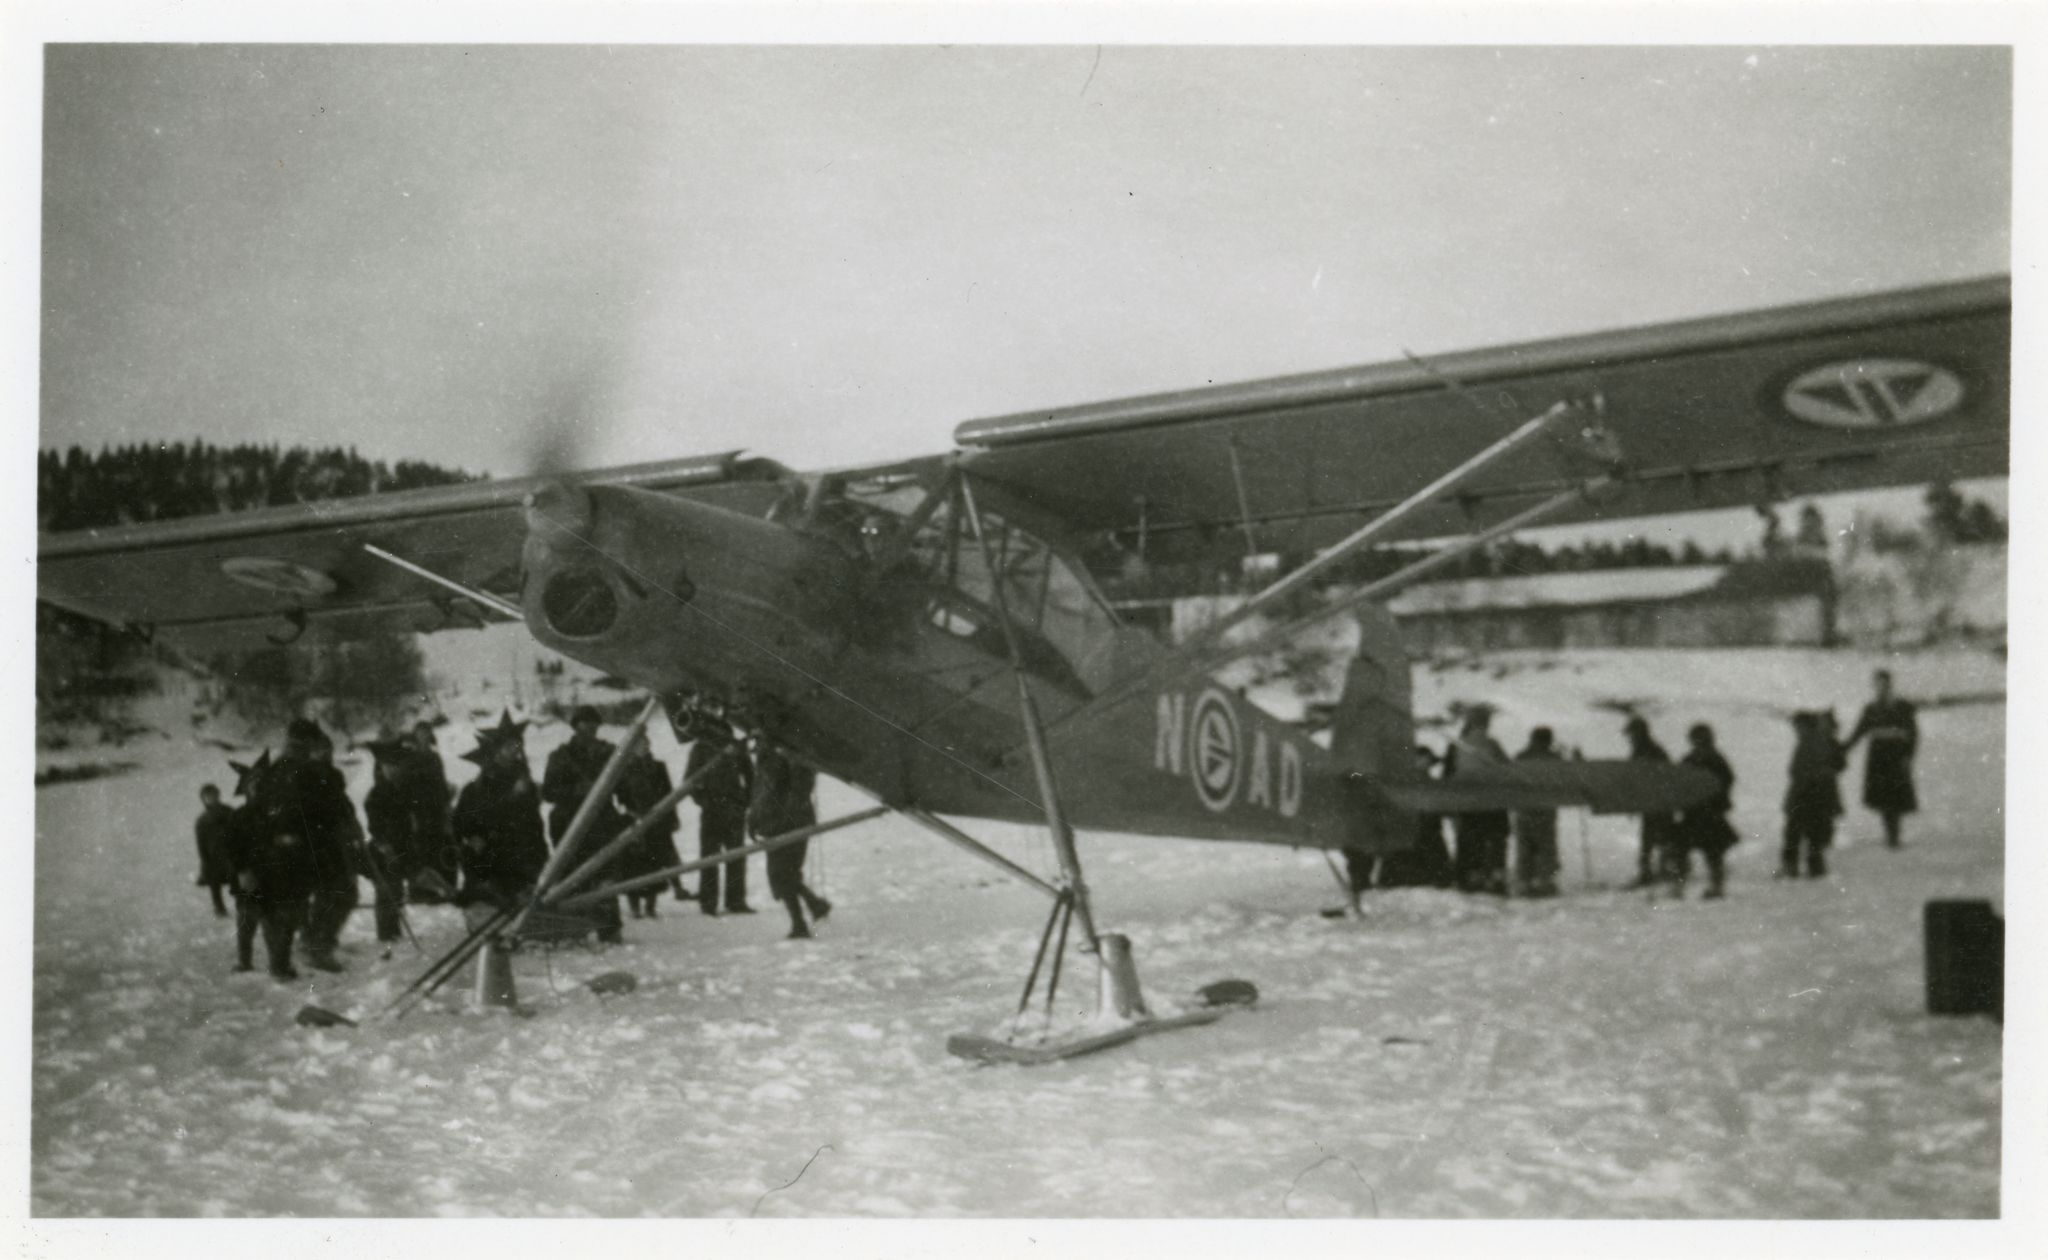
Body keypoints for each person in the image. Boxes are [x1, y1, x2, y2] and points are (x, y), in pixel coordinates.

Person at [279, 720, 365, 973]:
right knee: (340, 893)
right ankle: (316, 947)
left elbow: (340, 806)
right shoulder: (302, 772)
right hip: (314, 846)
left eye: (326, 749)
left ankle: (319, 943)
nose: (323, 753)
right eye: (317, 747)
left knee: (334, 894)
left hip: (322, 844)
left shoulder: (315, 771)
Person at [225, 749, 315, 982]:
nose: (258, 788)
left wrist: (287, 843)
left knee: (277, 924)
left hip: (276, 878)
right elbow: (232, 848)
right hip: (251, 880)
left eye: (262, 783)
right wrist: (242, 870)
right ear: (245, 789)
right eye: (253, 784)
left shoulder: (278, 813)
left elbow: (292, 839)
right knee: (249, 923)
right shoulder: (239, 816)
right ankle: (246, 962)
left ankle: (279, 966)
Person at [541, 705, 629, 941]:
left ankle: (609, 929)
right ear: (575, 726)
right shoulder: (560, 756)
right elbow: (548, 792)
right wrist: (575, 790)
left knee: (605, 877)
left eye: (594, 724)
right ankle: (575, 929)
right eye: (584, 724)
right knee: (572, 877)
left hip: (602, 822)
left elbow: (625, 787)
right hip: (569, 823)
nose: (590, 728)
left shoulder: (610, 753)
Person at [452, 711, 553, 909]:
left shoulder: (525, 780)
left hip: (526, 853)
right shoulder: (478, 786)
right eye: (509, 746)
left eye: (517, 745)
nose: (515, 750)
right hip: (493, 856)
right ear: (497, 750)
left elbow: (533, 820)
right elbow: (465, 821)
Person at [751, 740, 831, 940]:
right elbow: (759, 793)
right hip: (773, 825)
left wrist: (787, 819)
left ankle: (802, 920)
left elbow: (801, 788)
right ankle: (812, 908)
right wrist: (753, 819)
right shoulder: (765, 757)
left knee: (782, 873)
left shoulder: (790, 751)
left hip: (791, 824)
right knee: (781, 875)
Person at [687, 717, 755, 915]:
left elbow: (750, 775)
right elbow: (690, 781)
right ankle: (708, 903)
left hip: (734, 809)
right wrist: (704, 801)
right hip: (712, 810)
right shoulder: (700, 749)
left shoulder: (736, 747)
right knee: (709, 857)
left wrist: (745, 802)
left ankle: (736, 901)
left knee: (736, 856)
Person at [1845, 669, 1919, 849]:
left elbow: (1913, 733)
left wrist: (1908, 755)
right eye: (1877, 684)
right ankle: (1891, 834)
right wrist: (1842, 748)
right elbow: (1859, 731)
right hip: (1878, 756)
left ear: (1890, 685)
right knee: (1884, 798)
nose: (1881, 688)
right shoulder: (1871, 709)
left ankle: (1893, 835)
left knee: (1894, 797)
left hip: (1895, 756)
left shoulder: (1902, 707)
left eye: (1884, 684)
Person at [615, 739, 687, 919]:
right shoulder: (623, 768)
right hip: (634, 821)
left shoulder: (658, 767)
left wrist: (672, 817)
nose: (645, 748)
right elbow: (620, 795)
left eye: (647, 744)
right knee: (634, 866)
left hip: (658, 820)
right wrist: (630, 814)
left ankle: (651, 906)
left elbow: (668, 793)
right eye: (641, 745)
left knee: (656, 862)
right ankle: (635, 908)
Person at [1444, 707, 1511, 895]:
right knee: (1496, 841)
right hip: (1494, 802)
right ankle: (1496, 878)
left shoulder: (1457, 745)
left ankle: (1471, 879)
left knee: (1470, 842)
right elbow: (1507, 770)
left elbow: (1448, 776)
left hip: (1468, 803)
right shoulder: (1492, 744)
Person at [361, 739, 419, 955]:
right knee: (386, 890)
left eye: (398, 765)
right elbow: (375, 827)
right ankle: (385, 935)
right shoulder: (376, 795)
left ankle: (393, 932)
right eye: (389, 766)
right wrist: (386, 848)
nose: (394, 769)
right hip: (384, 850)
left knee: (396, 891)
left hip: (402, 847)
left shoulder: (403, 790)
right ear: (381, 768)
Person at [1677, 723, 1739, 899]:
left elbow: (1725, 782)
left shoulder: (1713, 759)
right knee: (1687, 849)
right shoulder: (1697, 758)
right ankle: (1684, 886)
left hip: (1708, 813)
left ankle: (1713, 887)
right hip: (1698, 812)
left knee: (1710, 852)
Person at [1782, 710, 1845, 878]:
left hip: (1806, 794)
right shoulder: (1818, 740)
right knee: (1813, 834)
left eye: (1797, 726)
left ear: (1804, 726)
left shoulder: (1810, 742)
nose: (1795, 730)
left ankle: (1793, 867)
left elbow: (1799, 770)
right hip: (1816, 794)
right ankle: (1815, 867)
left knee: (1794, 832)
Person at [1624, 716, 1680, 890]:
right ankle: (1658, 870)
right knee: (1653, 838)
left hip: (1659, 803)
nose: (1630, 738)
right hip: (1654, 803)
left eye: (1632, 734)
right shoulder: (1649, 750)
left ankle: (1659, 871)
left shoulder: (1648, 751)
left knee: (1656, 838)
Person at [405, 719, 457, 900]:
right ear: (415, 735)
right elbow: (407, 786)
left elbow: (441, 783)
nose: (424, 736)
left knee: (438, 846)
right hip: (418, 810)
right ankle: (420, 891)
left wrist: (446, 805)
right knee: (421, 849)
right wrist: (411, 812)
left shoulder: (435, 757)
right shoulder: (409, 758)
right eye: (420, 733)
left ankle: (441, 890)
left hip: (435, 809)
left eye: (427, 733)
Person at [1513, 727, 1563, 897]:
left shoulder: (1520, 756)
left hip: (1524, 809)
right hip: (1546, 809)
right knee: (1546, 846)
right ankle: (1545, 881)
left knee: (1525, 846)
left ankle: (1524, 882)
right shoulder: (1554, 758)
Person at [192, 783, 235, 917]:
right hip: (212, 857)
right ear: (203, 799)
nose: (211, 798)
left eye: (213, 795)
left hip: (230, 853)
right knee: (213, 882)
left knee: (236, 880)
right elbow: (200, 843)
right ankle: (219, 908)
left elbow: (238, 831)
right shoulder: (202, 820)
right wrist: (204, 860)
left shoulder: (228, 812)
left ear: (218, 795)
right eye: (207, 796)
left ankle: (244, 906)